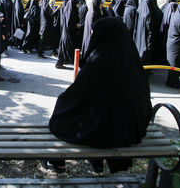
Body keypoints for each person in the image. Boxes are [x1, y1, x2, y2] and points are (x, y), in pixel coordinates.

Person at [45, 17, 152, 173]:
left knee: (63, 108)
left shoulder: (98, 63)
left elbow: (76, 97)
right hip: (129, 131)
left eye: (94, 33)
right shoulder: (133, 64)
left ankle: (59, 162)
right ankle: (97, 162)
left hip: (105, 133)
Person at [56, 0, 80, 68]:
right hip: (69, 34)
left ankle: (60, 63)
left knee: (64, 48)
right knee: (66, 48)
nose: (77, 5)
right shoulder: (70, 12)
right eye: (76, 4)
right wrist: (76, 25)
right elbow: (69, 24)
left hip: (67, 34)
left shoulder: (69, 10)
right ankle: (59, 63)